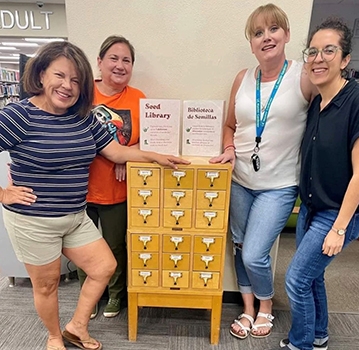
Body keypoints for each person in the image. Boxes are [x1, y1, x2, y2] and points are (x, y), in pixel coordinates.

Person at [0, 41, 188, 350]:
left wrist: (156, 156)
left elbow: (115, 152)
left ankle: (76, 327)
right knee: (47, 286)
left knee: (103, 267)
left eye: (76, 80)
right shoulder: (19, 116)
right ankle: (54, 337)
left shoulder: (84, 117)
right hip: (34, 220)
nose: (67, 86)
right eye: (60, 75)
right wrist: (4, 193)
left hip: (75, 216)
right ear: (42, 73)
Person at [210, 3, 317, 340]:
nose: (266, 37)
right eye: (258, 33)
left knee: (256, 253)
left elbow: (333, 107)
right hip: (239, 179)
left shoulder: (303, 75)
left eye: (273, 29)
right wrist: (228, 148)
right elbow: (230, 125)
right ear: (252, 42)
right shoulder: (243, 78)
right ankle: (247, 307)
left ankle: (266, 306)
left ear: (286, 34)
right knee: (240, 246)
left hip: (280, 185)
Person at [275, 18, 359, 350]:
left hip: (337, 212)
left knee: (296, 279)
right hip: (312, 207)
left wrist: (339, 228)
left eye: (329, 50)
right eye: (312, 51)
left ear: (345, 59)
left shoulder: (354, 101)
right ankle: (319, 333)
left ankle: (302, 343)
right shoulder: (318, 102)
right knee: (312, 276)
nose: (318, 58)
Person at [76, 35, 145, 319]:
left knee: (116, 245)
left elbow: (152, 140)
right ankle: (89, 298)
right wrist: (112, 154)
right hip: (80, 188)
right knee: (81, 248)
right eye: (113, 59)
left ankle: (116, 295)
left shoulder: (138, 99)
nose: (119, 65)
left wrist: (127, 153)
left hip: (118, 190)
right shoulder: (81, 94)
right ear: (100, 62)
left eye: (126, 60)